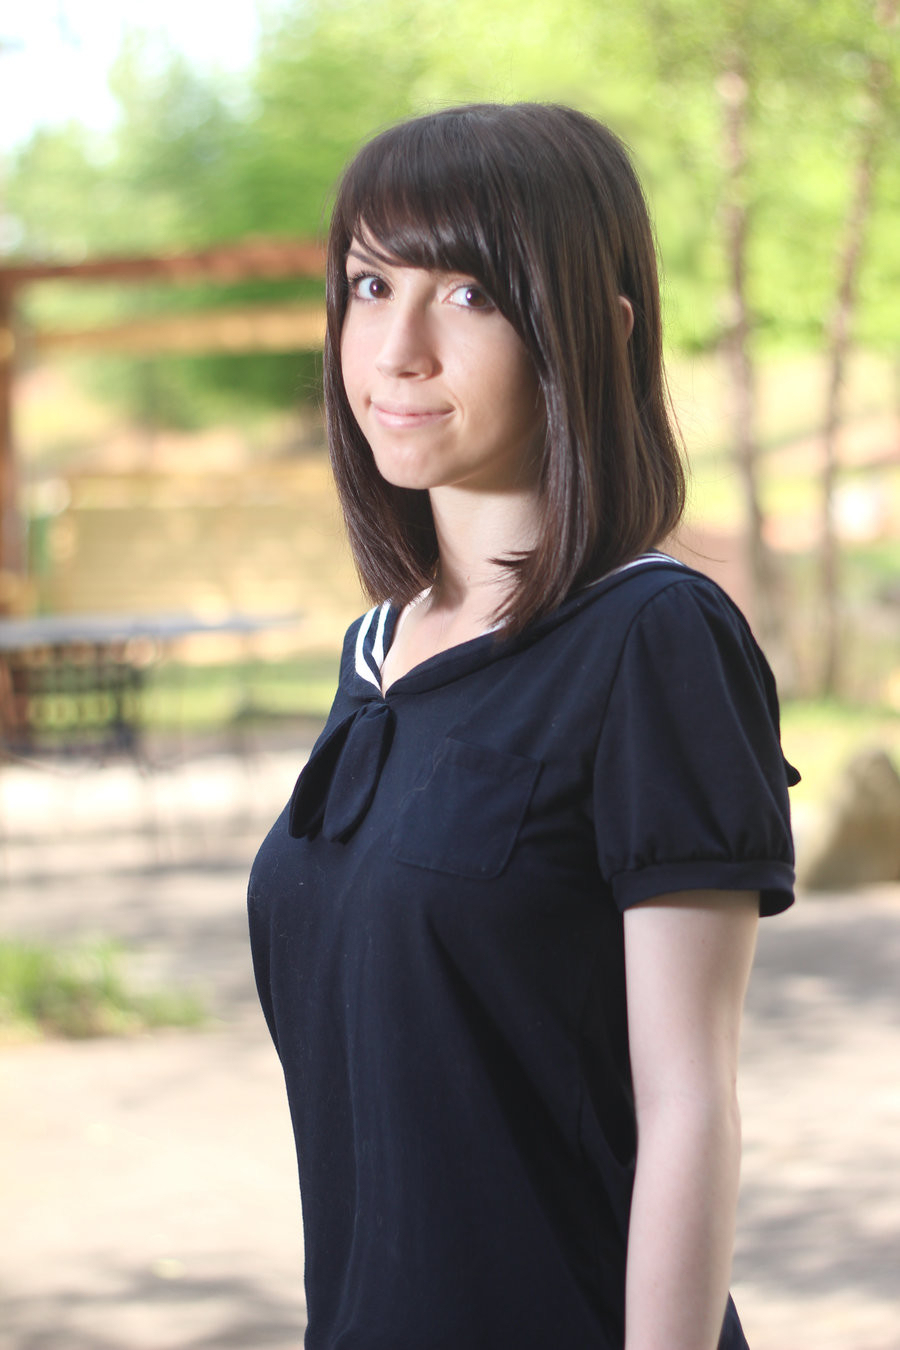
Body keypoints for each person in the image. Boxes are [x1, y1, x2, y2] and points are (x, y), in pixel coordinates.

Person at [248, 102, 798, 1350]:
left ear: (596, 329)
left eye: (469, 295)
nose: (399, 349)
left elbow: (690, 1105)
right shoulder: (376, 656)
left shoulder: (653, 637)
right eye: (371, 286)